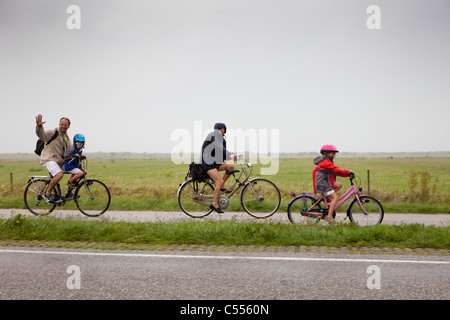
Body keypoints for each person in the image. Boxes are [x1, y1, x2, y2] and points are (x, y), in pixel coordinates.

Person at [200, 123, 237, 213]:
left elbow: (223, 153)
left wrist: (233, 156)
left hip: (215, 163)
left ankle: (222, 186)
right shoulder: (212, 136)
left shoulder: (223, 140)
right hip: (207, 163)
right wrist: (230, 154)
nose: (222, 130)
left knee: (231, 167)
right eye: (220, 129)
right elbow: (219, 147)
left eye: (224, 129)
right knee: (219, 181)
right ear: (216, 129)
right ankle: (215, 204)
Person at [35, 114, 72, 203]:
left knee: (77, 171)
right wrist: (39, 126)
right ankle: (47, 193)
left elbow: (70, 151)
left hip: (58, 160)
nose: (63, 126)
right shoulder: (52, 133)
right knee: (59, 175)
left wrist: (78, 156)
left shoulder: (66, 138)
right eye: (61, 124)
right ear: (59, 124)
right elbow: (42, 135)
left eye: (65, 125)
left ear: (68, 126)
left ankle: (68, 194)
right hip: (48, 159)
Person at [312, 144, 353, 221]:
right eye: (333, 153)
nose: (334, 155)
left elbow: (335, 172)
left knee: (339, 185)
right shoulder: (325, 162)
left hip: (325, 181)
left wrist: (347, 174)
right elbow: (336, 169)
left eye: (335, 154)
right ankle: (329, 217)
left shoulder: (326, 161)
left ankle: (326, 198)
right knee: (335, 198)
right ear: (327, 153)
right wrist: (348, 171)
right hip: (323, 183)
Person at [63, 134, 88, 199]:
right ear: (75, 142)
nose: (79, 144)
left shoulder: (80, 150)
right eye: (78, 142)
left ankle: (69, 193)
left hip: (75, 165)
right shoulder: (72, 149)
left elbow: (77, 157)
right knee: (80, 173)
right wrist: (74, 155)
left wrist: (81, 157)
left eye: (81, 142)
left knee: (85, 172)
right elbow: (65, 156)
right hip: (70, 165)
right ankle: (70, 182)